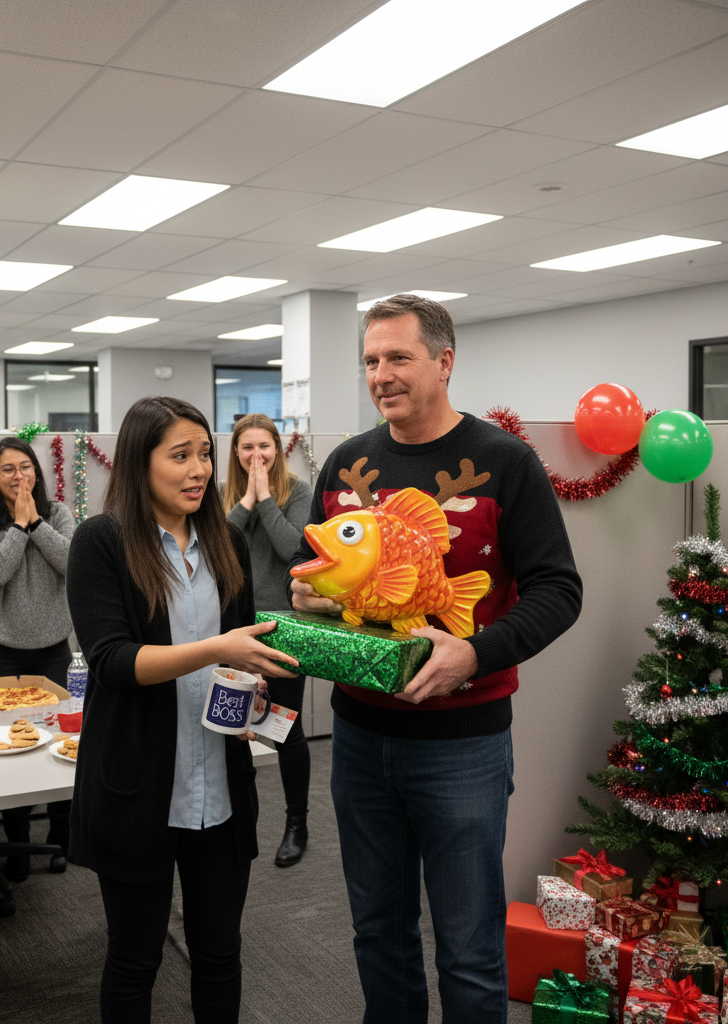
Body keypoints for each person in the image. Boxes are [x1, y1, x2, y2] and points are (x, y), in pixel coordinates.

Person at [287, 294, 583, 1024]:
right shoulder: (345, 463)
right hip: (360, 738)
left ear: (444, 362)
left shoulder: (505, 460)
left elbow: (559, 590)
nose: (380, 375)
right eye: (370, 360)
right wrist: (311, 597)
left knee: (469, 949)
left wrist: (475, 654)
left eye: (398, 357)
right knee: (378, 934)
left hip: (463, 744)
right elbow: (314, 568)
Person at [66, 396, 298, 1024]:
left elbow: (240, 655)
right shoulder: (101, 541)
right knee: (135, 959)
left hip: (218, 786)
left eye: (205, 454)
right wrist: (219, 648)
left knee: (220, 953)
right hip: (138, 788)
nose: (199, 470)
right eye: (180, 456)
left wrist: (252, 684)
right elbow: (113, 661)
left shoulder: (227, 542)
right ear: (139, 463)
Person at [0, 437, 74, 881]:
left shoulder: (59, 513)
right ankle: (18, 844)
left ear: (37, 472)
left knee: (61, 742)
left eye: (26, 466)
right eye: (8, 469)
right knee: (7, 748)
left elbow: (72, 562)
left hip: (51, 649)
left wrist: (36, 523)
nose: (19, 476)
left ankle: (63, 836)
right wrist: (18, 526)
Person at [223, 413, 313, 867]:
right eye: (247, 447)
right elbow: (217, 548)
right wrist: (244, 501)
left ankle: (297, 822)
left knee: (283, 729)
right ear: (236, 452)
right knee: (232, 728)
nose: (256, 455)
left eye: (264, 446)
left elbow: (294, 551)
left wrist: (265, 501)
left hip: (282, 627)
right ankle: (238, 819)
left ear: (277, 448)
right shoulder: (221, 493)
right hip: (232, 628)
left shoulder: (298, 492)